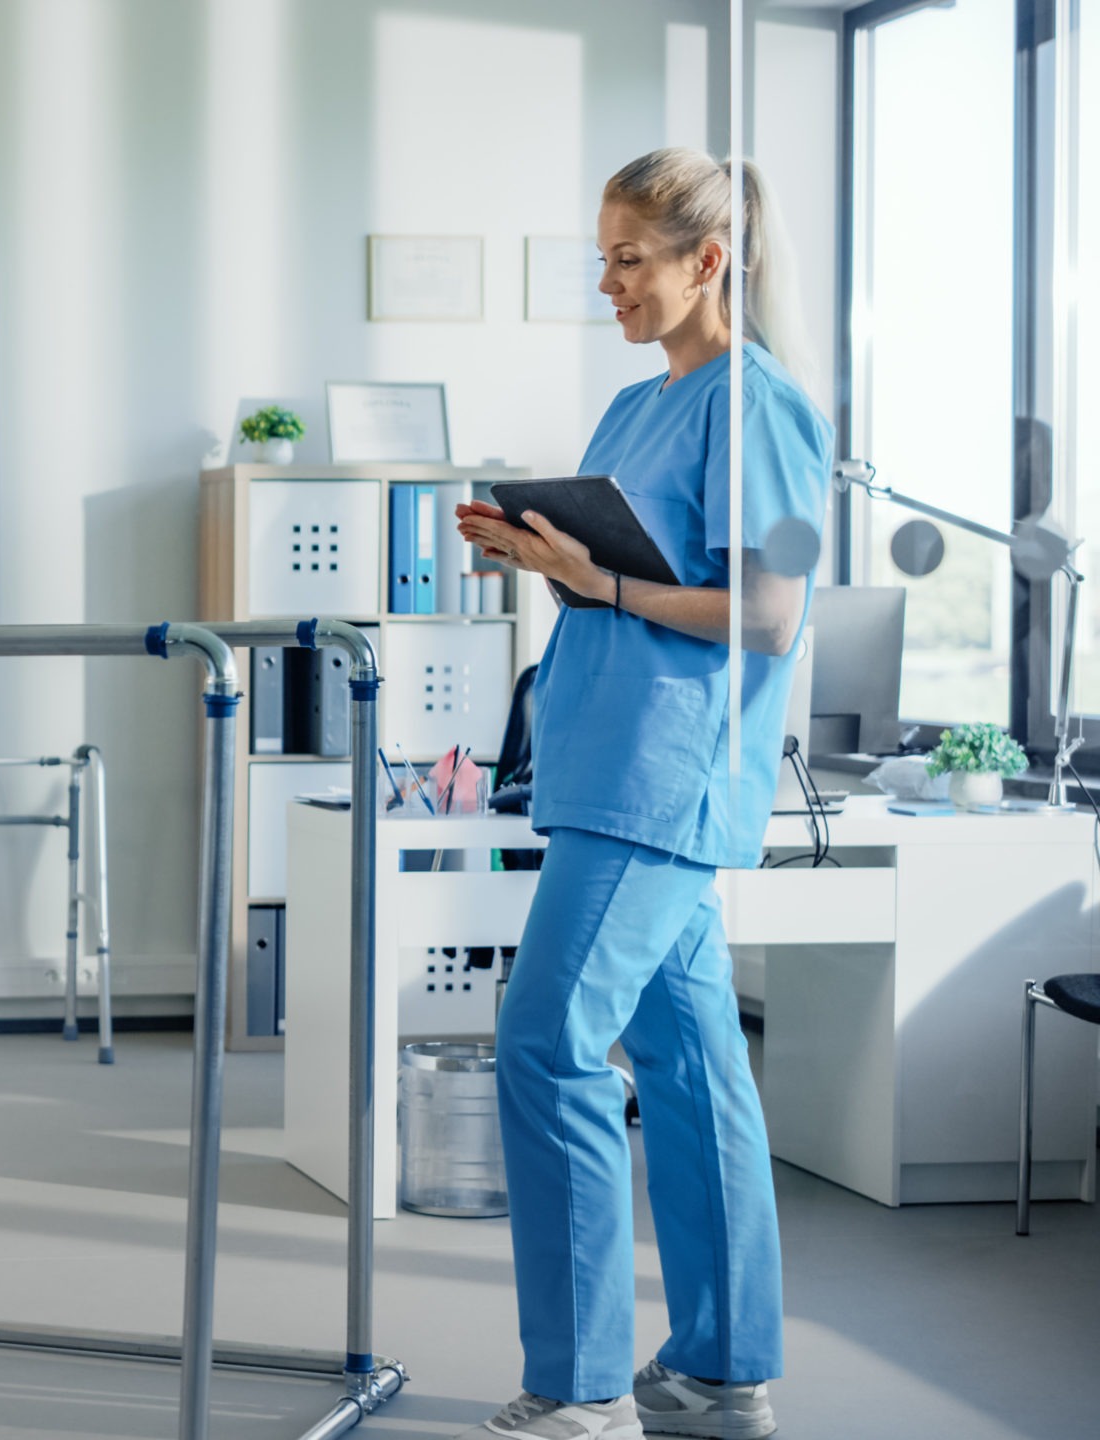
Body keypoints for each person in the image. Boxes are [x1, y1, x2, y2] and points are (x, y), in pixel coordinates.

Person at [449, 148, 826, 1440]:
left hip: (667, 779)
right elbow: (625, 572)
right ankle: (723, 1365)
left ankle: (581, 1391)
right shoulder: (630, 408)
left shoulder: (761, 408)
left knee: (548, 1043)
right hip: (604, 762)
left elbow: (769, 618)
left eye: (629, 258)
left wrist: (600, 586)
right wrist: (542, 556)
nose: (605, 282)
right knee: (692, 1059)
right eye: (600, 256)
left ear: (708, 261)